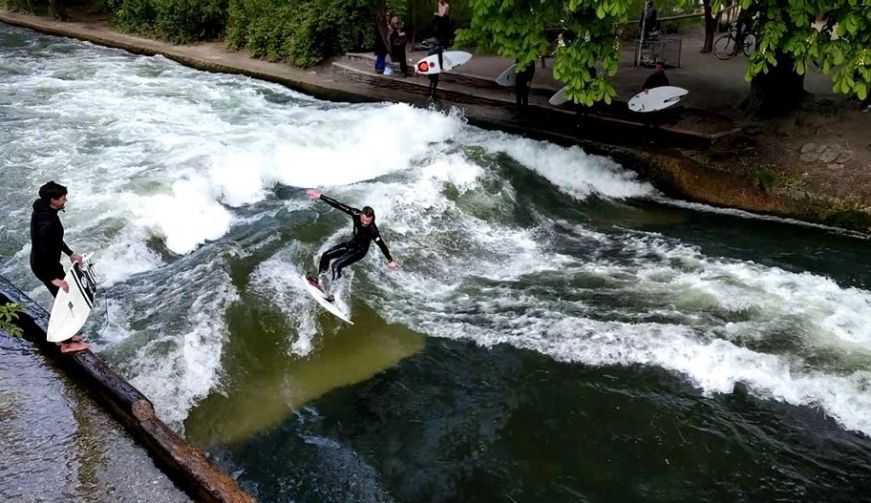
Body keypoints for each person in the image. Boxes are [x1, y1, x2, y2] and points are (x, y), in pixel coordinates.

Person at [305, 189, 397, 300]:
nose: (365, 223)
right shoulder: (355, 213)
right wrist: (320, 196)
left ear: (372, 218)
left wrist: (390, 260)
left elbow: (381, 244)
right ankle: (319, 280)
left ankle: (332, 294)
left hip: (360, 251)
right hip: (351, 244)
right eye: (363, 220)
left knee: (336, 266)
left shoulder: (373, 230)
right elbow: (339, 205)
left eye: (368, 221)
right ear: (361, 215)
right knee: (326, 255)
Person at [30, 181, 89, 354]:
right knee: (65, 300)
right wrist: (53, 279)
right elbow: (43, 251)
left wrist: (70, 253)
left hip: (48, 264)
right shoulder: (47, 223)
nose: (66, 200)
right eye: (63, 198)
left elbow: (54, 240)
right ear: (53, 200)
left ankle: (69, 336)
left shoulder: (43, 208)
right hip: (45, 267)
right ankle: (65, 343)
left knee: (65, 297)